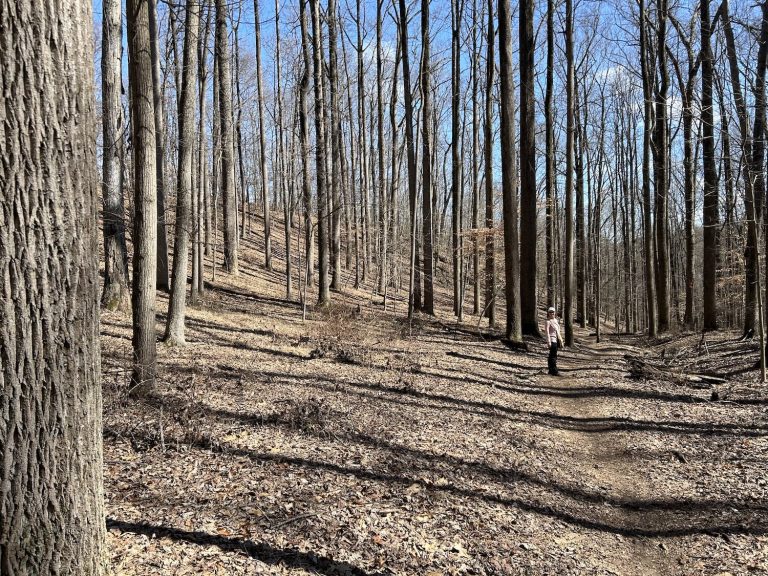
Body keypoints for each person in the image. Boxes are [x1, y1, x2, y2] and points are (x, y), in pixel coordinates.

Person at [545, 307, 563, 376]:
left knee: (552, 355)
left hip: (556, 340)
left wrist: (560, 340)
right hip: (552, 340)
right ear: (548, 313)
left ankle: (550, 370)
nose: (551, 313)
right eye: (550, 312)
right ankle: (554, 371)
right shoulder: (547, 321)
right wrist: (548, 342)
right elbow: (547, 333)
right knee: (553, 356)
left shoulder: (555, 320)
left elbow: (558, 331)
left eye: (553, 312)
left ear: (555, 313)